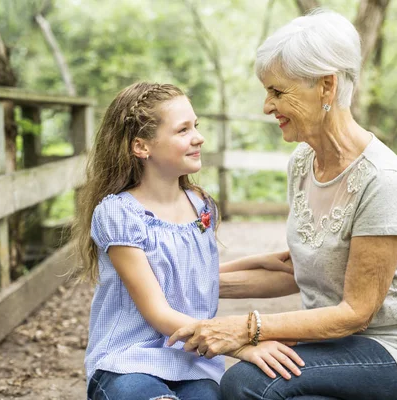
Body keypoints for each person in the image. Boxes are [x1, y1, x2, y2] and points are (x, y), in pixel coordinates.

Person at [168, 10, 397, 400]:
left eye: (277, 92)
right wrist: (180, 281)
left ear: (326, 87)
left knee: (247, 384)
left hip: (389, 349)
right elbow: (296, 271)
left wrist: (247, 328)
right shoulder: (302, 162)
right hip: (328, 344)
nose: (266, 106)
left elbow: (357, 312)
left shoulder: (382, 179)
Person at [72, 82, 303, 400]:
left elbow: (185, 273)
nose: (199, 137)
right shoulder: (120, 214)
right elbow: (158, 312)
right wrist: (241, 344)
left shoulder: (200, 204)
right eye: (183, 130)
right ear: (142, 147)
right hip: (129, 363)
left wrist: (256, 262)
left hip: (194, 365)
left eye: (196, 125)